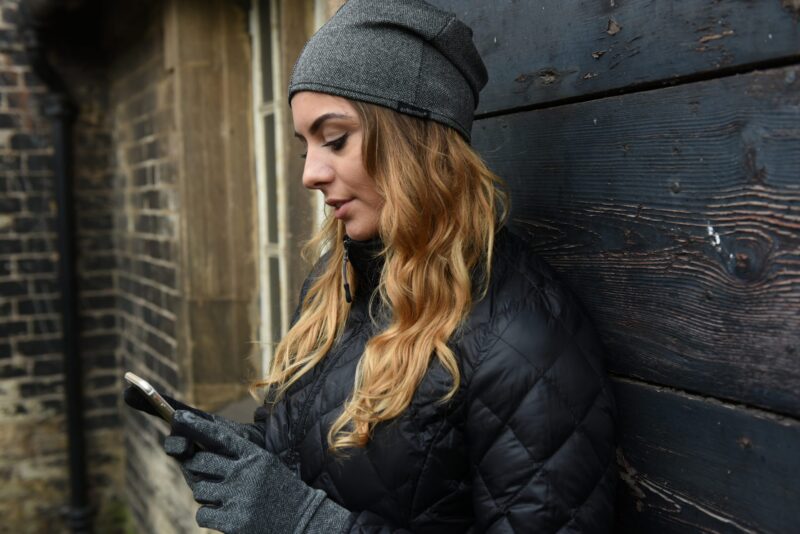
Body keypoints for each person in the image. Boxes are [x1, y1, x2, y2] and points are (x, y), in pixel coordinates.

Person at [125, 0, 617, 532]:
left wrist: (307, 524)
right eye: (305, 147)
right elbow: (309, 458)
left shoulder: (523, 339)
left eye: (334, 139)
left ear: (414, 139)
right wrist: (241, 461)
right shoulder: (338, 282)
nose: (311, 173)